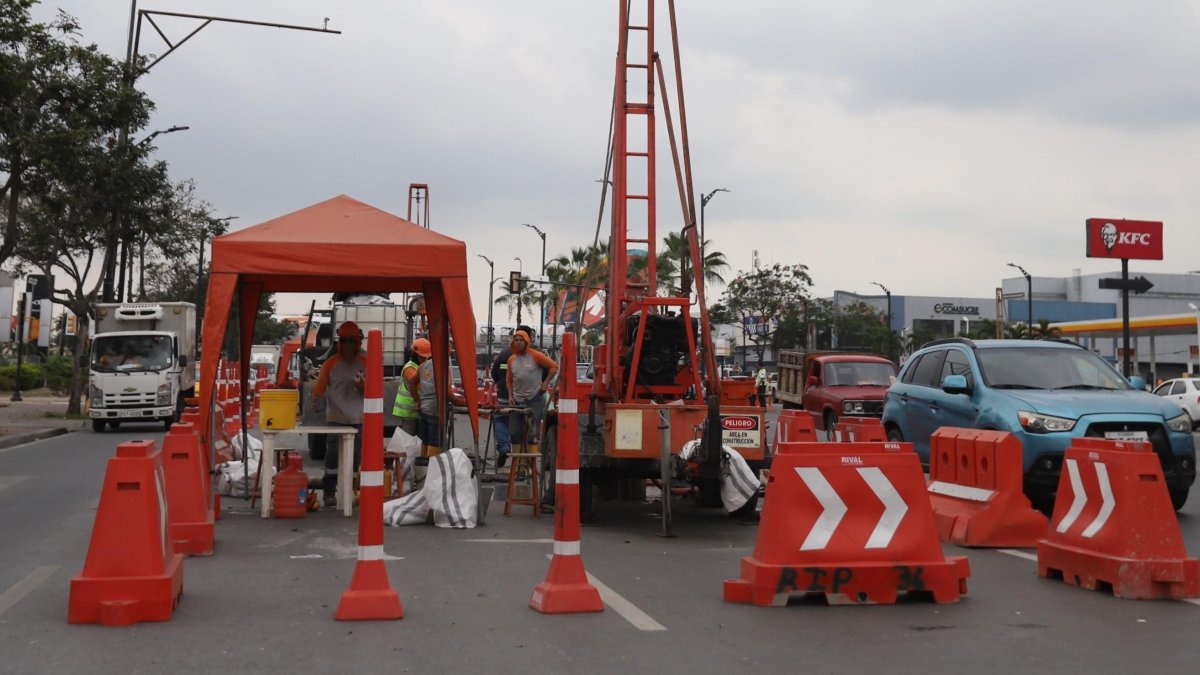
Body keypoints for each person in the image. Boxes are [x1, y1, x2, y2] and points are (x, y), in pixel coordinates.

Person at [313, 321, 366, 507]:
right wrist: (317, 400)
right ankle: (329, 491)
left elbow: (376, 391)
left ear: (358, 342)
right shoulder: (330, 364)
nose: (349, 345)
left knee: (355, 457)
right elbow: (319, 387)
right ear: (339, 343)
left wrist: (363, 387)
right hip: (336, 418)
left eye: (352, 341)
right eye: (345, 341)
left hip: (358, 419)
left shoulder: (366, 363)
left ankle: (350, 491)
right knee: (333, 456)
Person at [489, 324, 536, 468]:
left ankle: (504, 448)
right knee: (527, 431)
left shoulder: (504, 353)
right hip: (527, 400)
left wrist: (503, 385)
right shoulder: (533, 354)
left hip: (505, 397)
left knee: (501, 421)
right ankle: (525, 467)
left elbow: (494, 374)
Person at [506, 328, 557, 451]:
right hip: (517, 401)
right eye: (516, 340)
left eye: (521, 340)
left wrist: (545, 384)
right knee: (514, 433)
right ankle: (518, 464)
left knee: (532, 433)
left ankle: (531, 466)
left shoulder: (536, 356)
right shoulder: (511, 359)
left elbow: (554, 367)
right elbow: (509, 380)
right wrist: (510, 396)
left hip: (534, 398)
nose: (518, 342)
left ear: (527, 341)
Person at [391, 338, 428, 439]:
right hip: (408, 410)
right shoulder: (410, 368)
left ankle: (412, 455)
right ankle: (405, 455)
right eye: (422, 356)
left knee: (417, 441)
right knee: (408, 439)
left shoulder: (420, 366)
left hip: (417, 409)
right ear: (415, 354)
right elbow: (417, 384)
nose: (424, 359)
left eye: (426, 357)